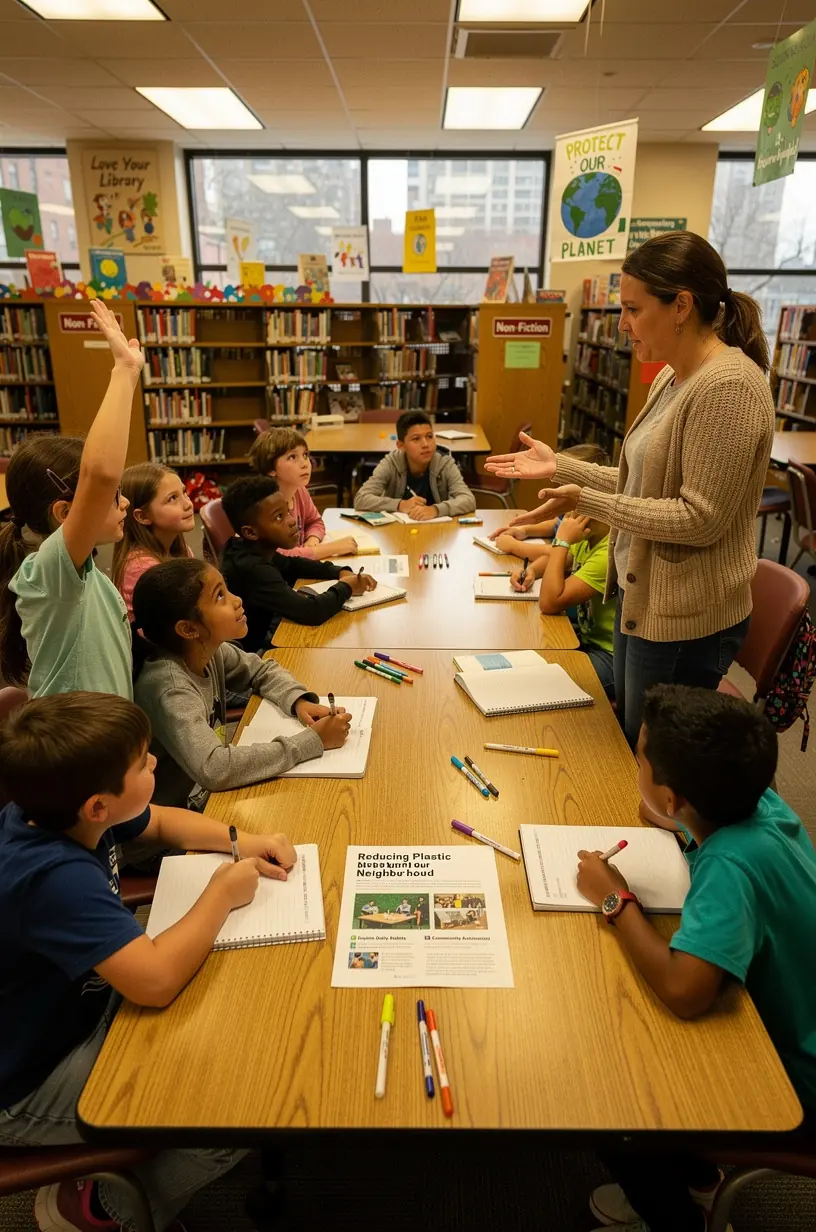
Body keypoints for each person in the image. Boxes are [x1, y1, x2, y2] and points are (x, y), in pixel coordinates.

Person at [0, 690, 300, 1230]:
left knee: (233, 1017)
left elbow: (158, 821)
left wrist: (240, 839)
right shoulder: (55, 878)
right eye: (142, 763)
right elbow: (156, 982)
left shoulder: (59, 812)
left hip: (76, 1010)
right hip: (24, 1082)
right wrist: (220, 893)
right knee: (239, 1112)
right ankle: (101, 1211)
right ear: (98, 806)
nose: (155, 761)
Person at [485, 232, 775, 749]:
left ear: (681, 305)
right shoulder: (674, 377)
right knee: (631, 742)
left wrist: (586, 499)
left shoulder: (728, 387)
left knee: (654, 761)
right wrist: (563, 469)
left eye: (633, 309)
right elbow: (644, 484)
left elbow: (698, 518)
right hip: (644, 599)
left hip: (684, 617)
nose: (621, 324)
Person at [576, 685, 815, 1232]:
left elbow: (685, 991)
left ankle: (682, 1220)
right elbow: (668, 814)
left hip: (795, 1081)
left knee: (617, 1105)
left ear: (675, 795)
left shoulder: (731, 868)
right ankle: (699, 1178)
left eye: (640, 757)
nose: (636, 762)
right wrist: (672, 815)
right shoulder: (760, 805)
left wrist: (615, 899)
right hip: (799, 1027)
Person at [0, 300, 142, 699]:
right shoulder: (50, 570)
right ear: (65, 513)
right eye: (113, 499)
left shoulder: (77, 570)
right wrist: (125, 372)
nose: (125, 503)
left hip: (104, 739)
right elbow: (99, 474)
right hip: (79, 751)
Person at [132, 557, 351, 809]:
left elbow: (260, 670)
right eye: (220, 596)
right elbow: (215, 768)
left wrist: (298, 701)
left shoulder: (208, 651)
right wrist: (312, 741)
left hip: (209, 796)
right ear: (189, 630)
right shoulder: (170, 689)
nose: (236, 600)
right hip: (183, 814)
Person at [220, 476, 376, 652]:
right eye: (279, 517)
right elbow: (311, 611)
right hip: (255, 654)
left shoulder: (253, 548)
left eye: (287, 511)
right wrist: (346, 587)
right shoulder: (252, 568)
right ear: (250, 532)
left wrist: (340, 571)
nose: (292, 520)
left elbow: (291, 564)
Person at [510, 510, 616, 699]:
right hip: (585, 639)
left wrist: (562, 540)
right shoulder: (588, 537)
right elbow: (562, 560)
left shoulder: (607, 554)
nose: (568, 515)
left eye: (574, 507)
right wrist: (532, 570)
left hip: (608, 655)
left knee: (539, 684)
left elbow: (550, 603)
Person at [488, 443, 610, 561]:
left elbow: (564, 554)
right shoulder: (573, 510)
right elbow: (557, 524)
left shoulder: (590, 522)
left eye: (564, 481)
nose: (558, 487)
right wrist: (524, 531)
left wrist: (514, 546)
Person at [249, 427, 357, 560]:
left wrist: (312, 541)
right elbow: (280, 556)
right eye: (292, 457)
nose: (305, 464)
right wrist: (331, 549)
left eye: (305, 455)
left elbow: (315, 521)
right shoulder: (266, 505)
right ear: (271, 469)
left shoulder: (299, 490)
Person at [112, 462, 196, 622]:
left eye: (184, 493)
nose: (188, 504)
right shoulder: (142, 569)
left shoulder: (182, 550)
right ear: (143, 516)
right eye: (173, 498)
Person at [354, 410, 476, 520]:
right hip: (398, 532)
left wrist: (435, 510)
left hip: (438, 531)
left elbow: (468, 500)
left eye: (429, 437)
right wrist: (401, 505)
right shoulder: (391, 462)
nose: (425, 444)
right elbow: (361, 498)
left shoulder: (444, 462)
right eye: (416, 439)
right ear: (401, 445)